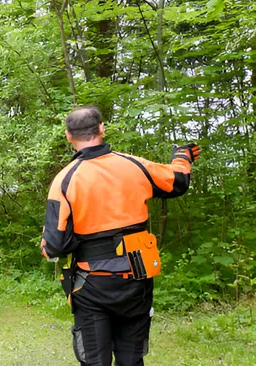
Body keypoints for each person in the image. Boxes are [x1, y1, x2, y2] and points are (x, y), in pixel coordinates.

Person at [40, 106, 200, 366]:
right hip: (137, 275)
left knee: (95, 361)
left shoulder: (64, 180)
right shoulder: (135, 165)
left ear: (69, 136)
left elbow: (54, 245)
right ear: (101, 129)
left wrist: (52, 245)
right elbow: (178, 181)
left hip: (91, 282)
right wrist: (181, 157)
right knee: (131, 358)